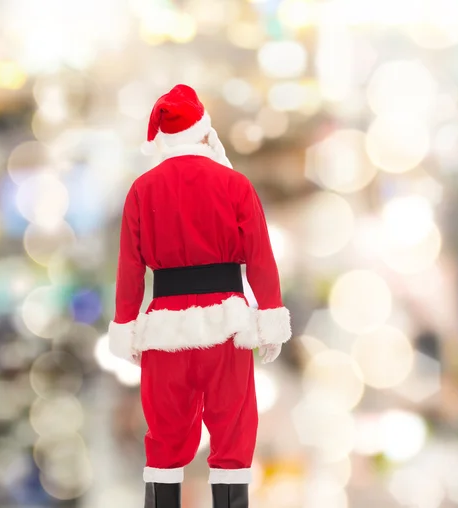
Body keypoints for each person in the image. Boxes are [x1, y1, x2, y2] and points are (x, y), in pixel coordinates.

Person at [107, 84, 292, 508]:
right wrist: (269, 319)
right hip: (227, 325)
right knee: (232, 434)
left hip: (164, 328)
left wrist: (127, 327)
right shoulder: (234, 184)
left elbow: (130, 269)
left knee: (165, 440)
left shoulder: (142, 189)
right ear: (204, 132)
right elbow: (261, 258)